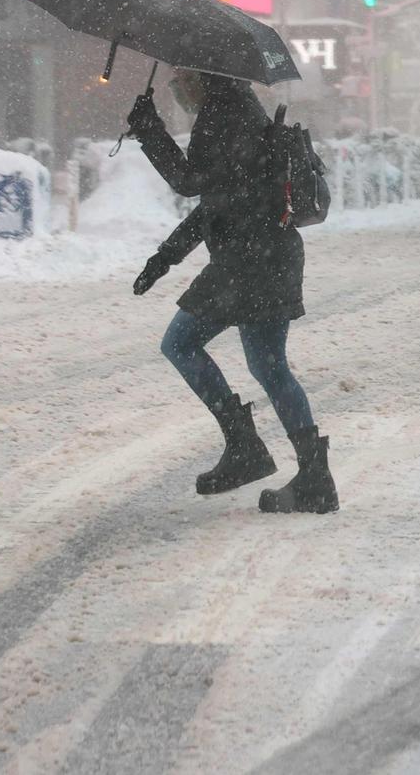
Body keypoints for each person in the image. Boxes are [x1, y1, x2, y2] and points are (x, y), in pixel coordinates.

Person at [129, 69, 336, 514]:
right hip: (267, 255)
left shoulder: (224, 116)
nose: (178, 89)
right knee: (269, 365)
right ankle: (311, 475)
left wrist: (149, 131)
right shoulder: (238, 112)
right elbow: (214, 204)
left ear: (204, 76)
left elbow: (191, 184)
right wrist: (163, 259)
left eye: (181, 80)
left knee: (181, 343)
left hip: (248, 260)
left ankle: (246, 448)